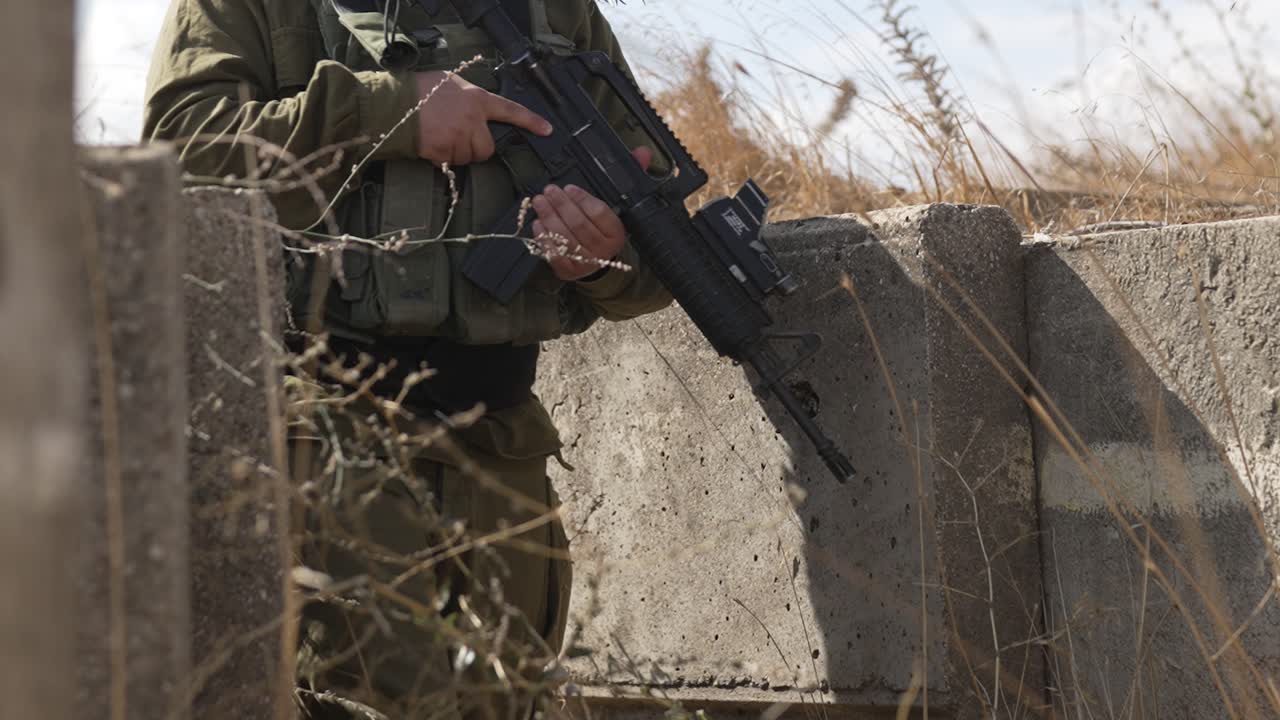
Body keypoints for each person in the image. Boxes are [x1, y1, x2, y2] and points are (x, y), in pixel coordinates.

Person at [143, 0, 671, 717]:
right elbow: (179, 151)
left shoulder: (558, 11)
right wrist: (391, 112)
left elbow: (654, 248)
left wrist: (600, 255)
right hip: (325, 440)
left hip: (502, 451)